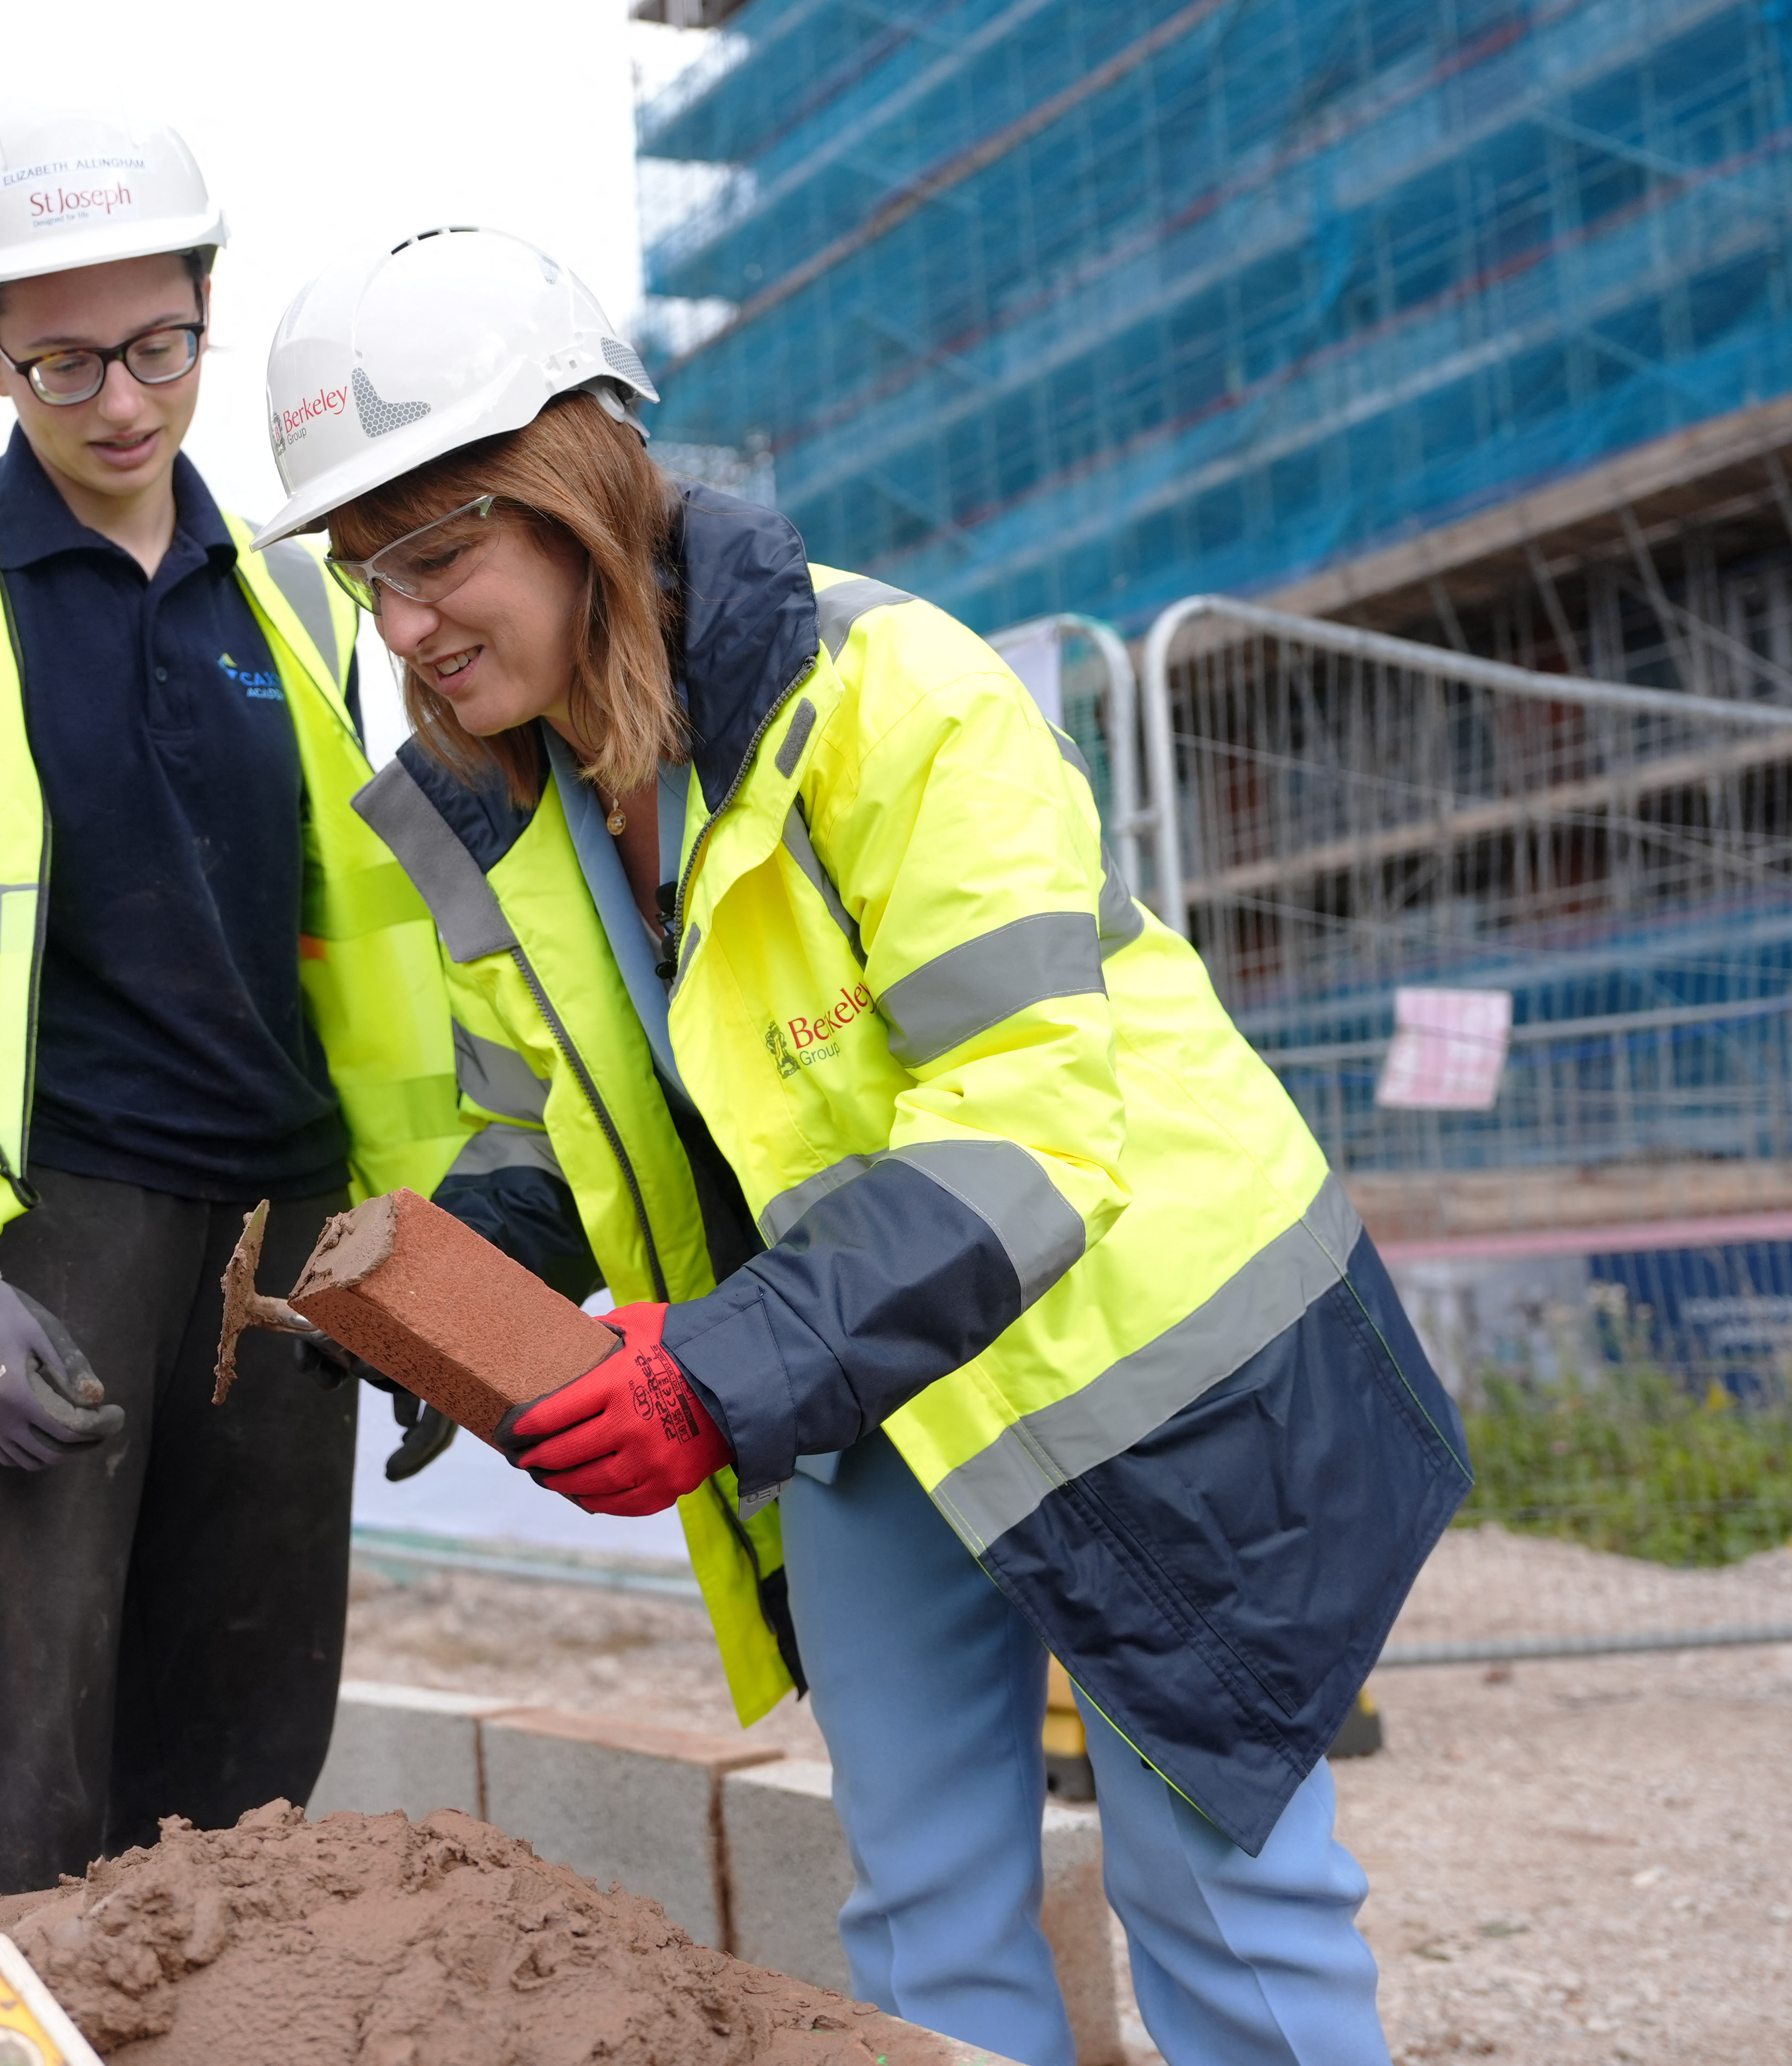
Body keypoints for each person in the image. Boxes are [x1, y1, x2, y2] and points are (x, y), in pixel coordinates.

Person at [253, 228, 1473, 2066]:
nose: (406, 624)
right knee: (920, 1909)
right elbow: (567, 1140)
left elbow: (1028, 1130)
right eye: (370, 576)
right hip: (860, 1380)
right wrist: (440, 1293)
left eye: (441, 557)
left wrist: (717, 1372)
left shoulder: (895, 696)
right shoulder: (510, 817)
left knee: (1224, 1895)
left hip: (1144, 1368)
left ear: (580, 488)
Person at [0, 100, 464, 1903]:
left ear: (207, 310)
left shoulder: (307, 596)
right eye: (62, 360)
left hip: (283, 1233)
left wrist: (421, 1260)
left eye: (161, 345)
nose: (122, 402)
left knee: (235, 1790)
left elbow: (370, 944)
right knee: (5, 1782)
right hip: (39, 1223)